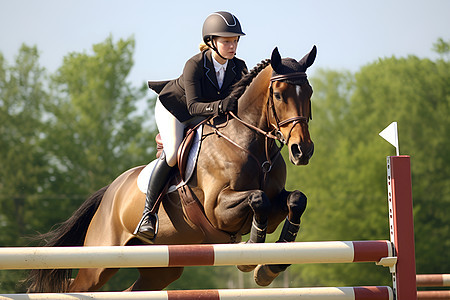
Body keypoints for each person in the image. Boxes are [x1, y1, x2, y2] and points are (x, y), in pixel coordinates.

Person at [135, 11, 248, 241]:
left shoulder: (239, 67)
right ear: (211, 42)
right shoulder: (194, 65)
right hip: (175, 109)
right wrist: (222, 105)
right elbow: (194, 106)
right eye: (227, 41)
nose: (232, 46)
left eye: (235, 40)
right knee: (173, 154)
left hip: (205, 113)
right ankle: (148, 214)